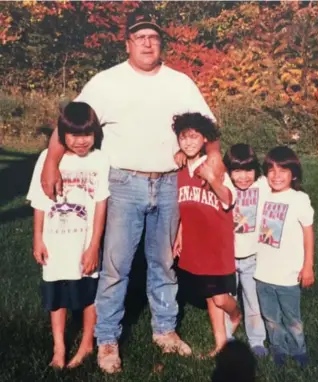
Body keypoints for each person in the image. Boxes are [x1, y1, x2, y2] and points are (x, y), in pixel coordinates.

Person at [40, 8, 224, 373]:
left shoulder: (180, 82)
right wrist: (50, 163)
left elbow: (209, 129)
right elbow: (70, 123)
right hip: (123, 183)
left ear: (161, 44)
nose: (147, 42)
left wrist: (214, 160)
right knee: (116, 266)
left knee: (164, 263)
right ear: (127, 43)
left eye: (153, 37)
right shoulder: (106, 82)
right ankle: (107, 340)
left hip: (169, 182)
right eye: (139, 37)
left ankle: (165, 331)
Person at [27, 102, 110, 368]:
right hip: (55, 243)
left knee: (88, 294)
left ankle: (87, 344)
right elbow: (40, 202)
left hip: (83, 243)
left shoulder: (100, 159)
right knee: (56, 296)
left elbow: (101, 205)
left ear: (95, 133)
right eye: (73, 135)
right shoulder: (47, 159)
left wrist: (94, 245)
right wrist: (38, 238)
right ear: (61, 135)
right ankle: (59, 349)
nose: (81, 141)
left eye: (87, 134)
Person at [172, 112, 241, 357]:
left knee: (220, 298)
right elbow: (183, 206)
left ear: (204, 140)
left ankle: (236, 314)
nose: (189, 142)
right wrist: (179, 233)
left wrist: (212, 178)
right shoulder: (179, 167)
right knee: (211, 296)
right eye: (183, 137)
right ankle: (220, 343)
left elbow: (228, 199)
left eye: (194, 137)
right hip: (195, 242)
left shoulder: (214, 165)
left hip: (217, 243)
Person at [255, 146, 315, 367]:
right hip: (262, 274)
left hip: (289, 275)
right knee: (271, 318)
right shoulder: (262, 192)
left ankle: (299, 351)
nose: (276, 175)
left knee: (292, 319)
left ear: (294, 174)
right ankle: (278, 350)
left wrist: (307, 266)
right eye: (271, 169)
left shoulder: (299, 199)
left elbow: (308, 234)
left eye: (283, 170)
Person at [223, 143, 269, 357]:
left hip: (253, 256)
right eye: (237, 170)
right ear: (228, 171)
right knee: (227, 298)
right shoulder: (223, 185)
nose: (243, 177)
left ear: (256, 170)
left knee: (253, 299)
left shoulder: (263, 184)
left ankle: (257, 339)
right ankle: (226, 336)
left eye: (248, 170)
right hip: (226, 257)